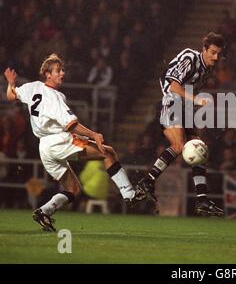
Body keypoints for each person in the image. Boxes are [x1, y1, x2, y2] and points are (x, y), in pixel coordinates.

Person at [3, 54, 145, 231]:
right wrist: (94, 135)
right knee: (108, 152)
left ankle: (44, 211)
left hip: (44, 148)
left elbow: (10, 95)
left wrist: (10, 82)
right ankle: (130, 195)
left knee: (73, 189)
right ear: (47, 74)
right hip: (58, 140)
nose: (62, 73)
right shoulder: (55, 97)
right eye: (58, 71)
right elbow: (72, 125)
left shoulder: (32, 87)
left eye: (63, 70)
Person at [136, 32, 225, 217]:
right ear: (204, 49)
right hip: (171, 102)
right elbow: (173, 84)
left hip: (182, 108)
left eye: (219, 54)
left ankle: (201, 200)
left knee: (200, 149)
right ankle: (147, 182)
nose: (216, 58)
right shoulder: (190, 57)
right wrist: (196, 100)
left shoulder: (207, 69)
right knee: (179, 145)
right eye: (213, 53)